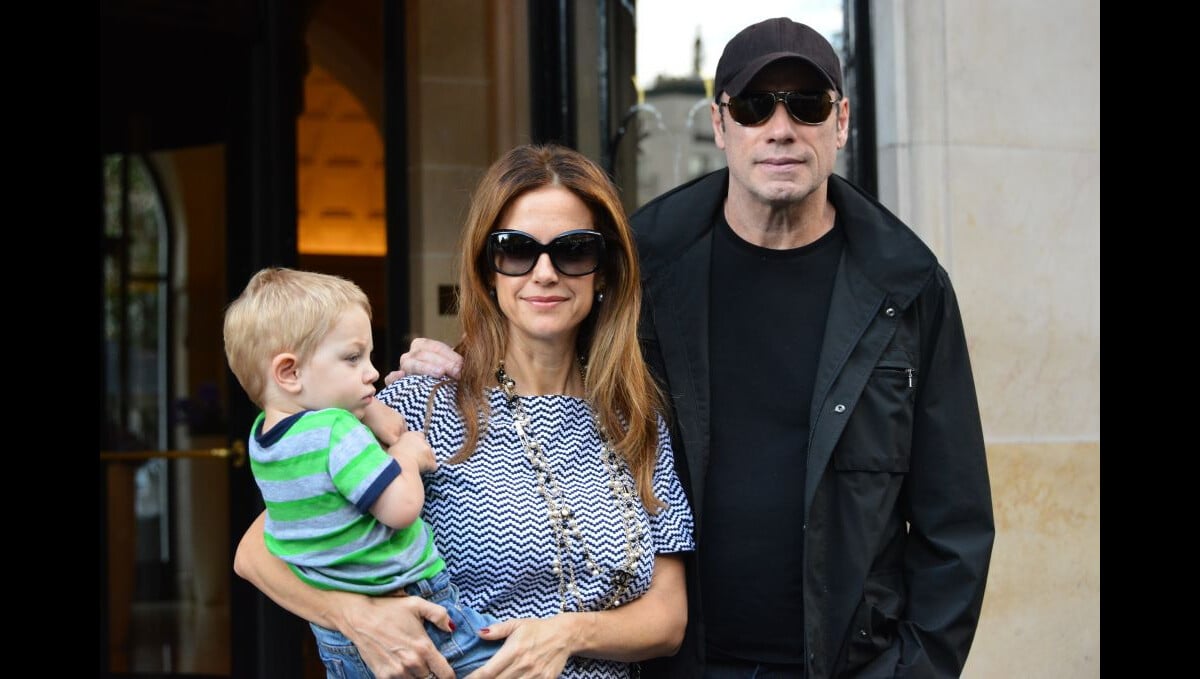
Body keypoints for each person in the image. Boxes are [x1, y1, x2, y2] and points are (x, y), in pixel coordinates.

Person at [391, 17, 996, 679]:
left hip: (855, 666)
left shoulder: (906, 285)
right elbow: (541, 321)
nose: (782, 128)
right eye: (756, 106)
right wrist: (451, 362)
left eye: (809, 105)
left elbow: (954, 523)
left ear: (842, 121)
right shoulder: (646, 268)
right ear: (720, 124)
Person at [233, 144, 697, 679]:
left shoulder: (635, 419)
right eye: (516, 250)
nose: (544, 273)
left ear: (604, 271)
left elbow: (668, 618)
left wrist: (564, 635)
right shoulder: (417, 406)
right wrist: (356, 617)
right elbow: (256, 552)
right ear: (488, 268)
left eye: (573, 249)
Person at [223, 267, 501, 678]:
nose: (371, 371)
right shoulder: (338, 433)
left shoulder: (265, 440)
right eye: (353, 358)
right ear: (290, 372)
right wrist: (406, 455)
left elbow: (322, 426)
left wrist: (368, 406)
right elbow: (402, 508)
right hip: (415, 607)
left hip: (338, 639)